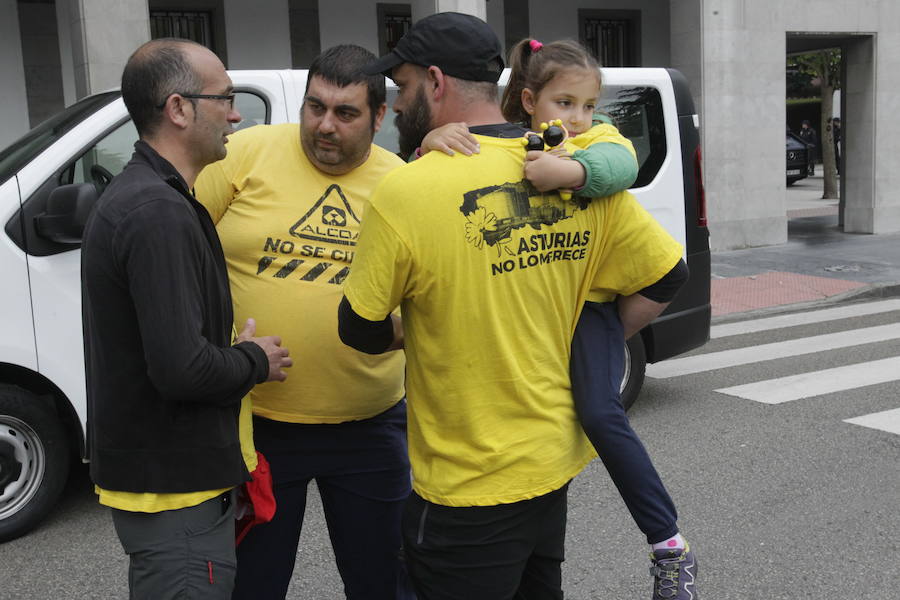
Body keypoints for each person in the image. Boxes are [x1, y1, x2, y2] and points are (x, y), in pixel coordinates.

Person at [338, 12, 690, 599]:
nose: (397, 106)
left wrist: (412, 331)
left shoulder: (408, 189)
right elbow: (667, 275)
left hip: (466, 484)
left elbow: (358, 327)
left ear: (435, 81)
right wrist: (585, 328)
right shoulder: (574, 173)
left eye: (401, 88)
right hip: (551, 464)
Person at [194, 44, 411, 599]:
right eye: (315, 107)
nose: (324, 125)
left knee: (383, 583)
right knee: (254, 586)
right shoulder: (243, 154)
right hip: (255, 423)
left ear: (379, 117)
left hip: (369, 426)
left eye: (345, 113)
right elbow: (180, 244)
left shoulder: (404, 184)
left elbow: (431, 294)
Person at [82, 38, 291, 600]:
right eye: (224, 98)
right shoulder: (156, 212)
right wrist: (254, 360)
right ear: (178, 109)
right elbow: (181, 370)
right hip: (176, 495)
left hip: (173, 484)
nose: (236, 114)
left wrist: (225, 349)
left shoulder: (156, 196)